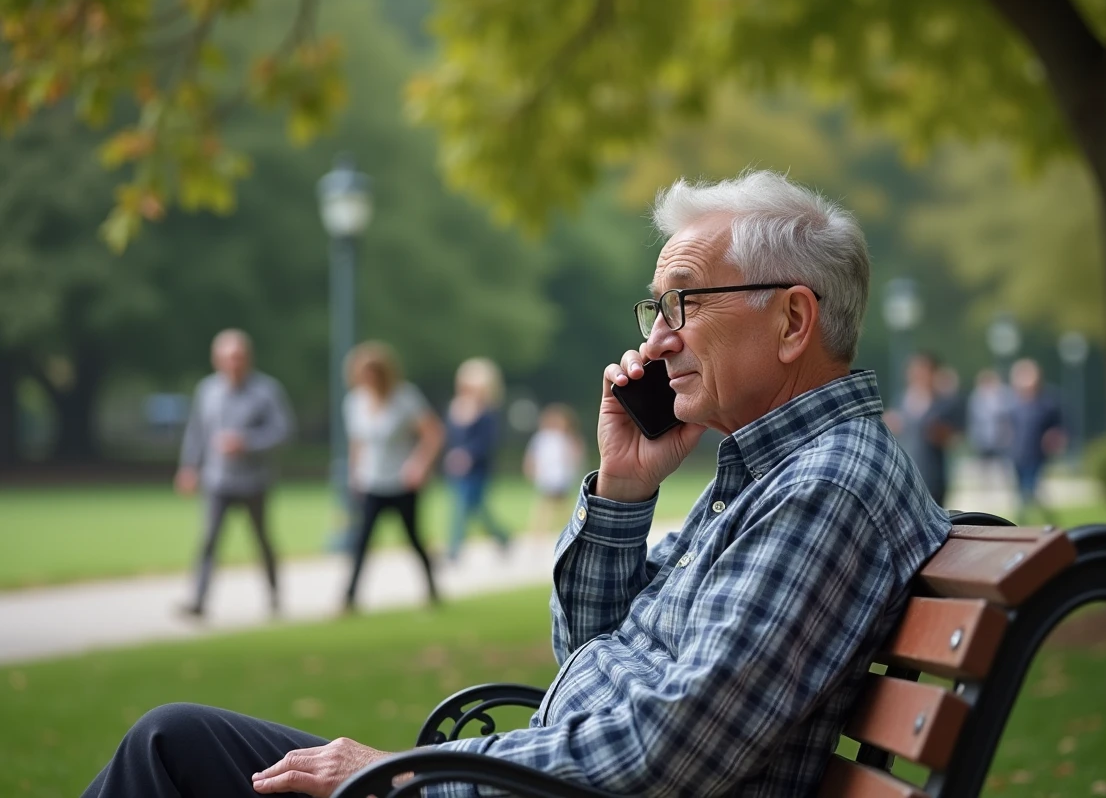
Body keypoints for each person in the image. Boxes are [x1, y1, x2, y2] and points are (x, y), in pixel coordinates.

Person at [81, 170, 950, 798]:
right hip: (521, 781)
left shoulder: (827, 484)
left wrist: (401, 774)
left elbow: (671, 751)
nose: (656, 344)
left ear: (793, 319)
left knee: (173, 752)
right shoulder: (769, 473)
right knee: (177, 743)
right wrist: (620, 491)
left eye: (684, 303)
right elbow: (588, 656)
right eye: (655, 310)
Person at [174, 329, 294, 618]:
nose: (234, 364)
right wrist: (189, 467)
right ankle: (199, 600)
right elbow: (197, 433)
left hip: (255, 480)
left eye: (239, 358)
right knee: (209, 540)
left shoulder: (267, 391)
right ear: (217, 360)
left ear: (249, 358)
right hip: (217, 480)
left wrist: (247, 443)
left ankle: (275, 595)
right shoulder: (207, 390)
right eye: (228, 358)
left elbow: (284, 432)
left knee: (261, 539)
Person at [342, 341, 444, 612]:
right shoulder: (354, 402)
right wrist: (354, 475)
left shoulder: (404, 397)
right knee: (361, 541)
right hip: (371, 481)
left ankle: (432, 589)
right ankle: (349, 596)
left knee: (412, 538)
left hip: (401, 482)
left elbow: (433, 433)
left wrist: (419, 465)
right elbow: (357, 443)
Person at [443, 357, 510, 562]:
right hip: (457, 469)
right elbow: (451, 437)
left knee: (465, 507)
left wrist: (468, 455)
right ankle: (502, 537)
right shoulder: (456, 408)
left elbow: (487, 442)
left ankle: (453, 550)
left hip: (478, 469)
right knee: (473, 508)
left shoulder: (487, 413)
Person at [883, 351, 961, 506]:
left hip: (932, 476)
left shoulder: (943, 404)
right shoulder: (901, 401)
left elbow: (953, 438)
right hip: (904, 474)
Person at [1007, 358, 1067, 523]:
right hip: (1018, 453)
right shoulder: (1015, 404)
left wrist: (1054, 439)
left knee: (1029, 489)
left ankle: (1025, 519)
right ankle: (1043, 518)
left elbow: (1059, 428)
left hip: (1036, 453)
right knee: (1024, 490)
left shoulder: (1047, 403)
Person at [522, 402, 585, 536]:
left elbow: (574, 455)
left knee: (559, 504)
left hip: (560, 475)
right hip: (548, 475)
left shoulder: (566, 438)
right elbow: (533, 455)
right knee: (546, 505)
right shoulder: (543, 438)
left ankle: (570, 528)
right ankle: (539, 531)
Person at [966, 367, 1015, 490]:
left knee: (1003, 461)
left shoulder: (1003, 394)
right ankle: (986, 484)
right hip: (983, 435)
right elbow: (975, 416)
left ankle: (1005, 483)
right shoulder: (977, 396)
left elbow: (1008, 412)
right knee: (984, 462)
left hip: (1000, 435)